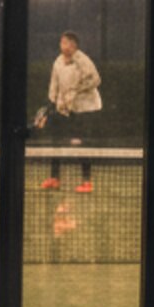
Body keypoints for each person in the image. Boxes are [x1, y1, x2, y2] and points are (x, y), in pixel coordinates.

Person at [39, 31, 101, 192]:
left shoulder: (83, 60)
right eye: (61, 42)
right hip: (64, 108)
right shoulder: (58, 61)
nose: (62, 45)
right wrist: (51, 104)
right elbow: (54, 85)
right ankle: (54, 178)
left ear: (73, 45)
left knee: (82, 143)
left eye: (65, 42)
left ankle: (86, 182)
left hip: (84, 109)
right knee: (56, 141)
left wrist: (77, 90)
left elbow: (95, 79)